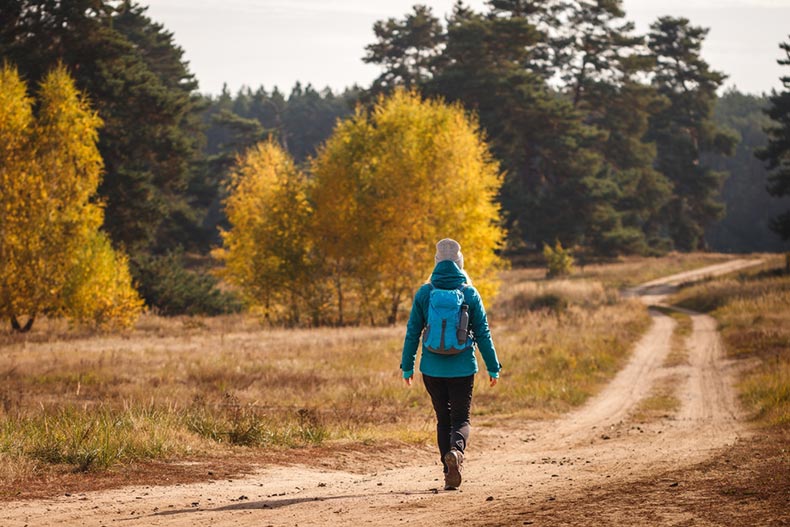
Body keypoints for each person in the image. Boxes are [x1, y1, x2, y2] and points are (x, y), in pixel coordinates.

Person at [400, 238, 501, 491]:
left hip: (431, 369)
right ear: (460, 263)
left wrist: (407, 367)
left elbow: (412, 331)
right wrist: (493, 366)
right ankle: (456, 452)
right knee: (461, 420)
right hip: (462, 367)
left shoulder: (425, 293)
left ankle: (448, 471)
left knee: (443, 420)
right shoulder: (470, 293)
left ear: (436, 263)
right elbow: (483, 333)